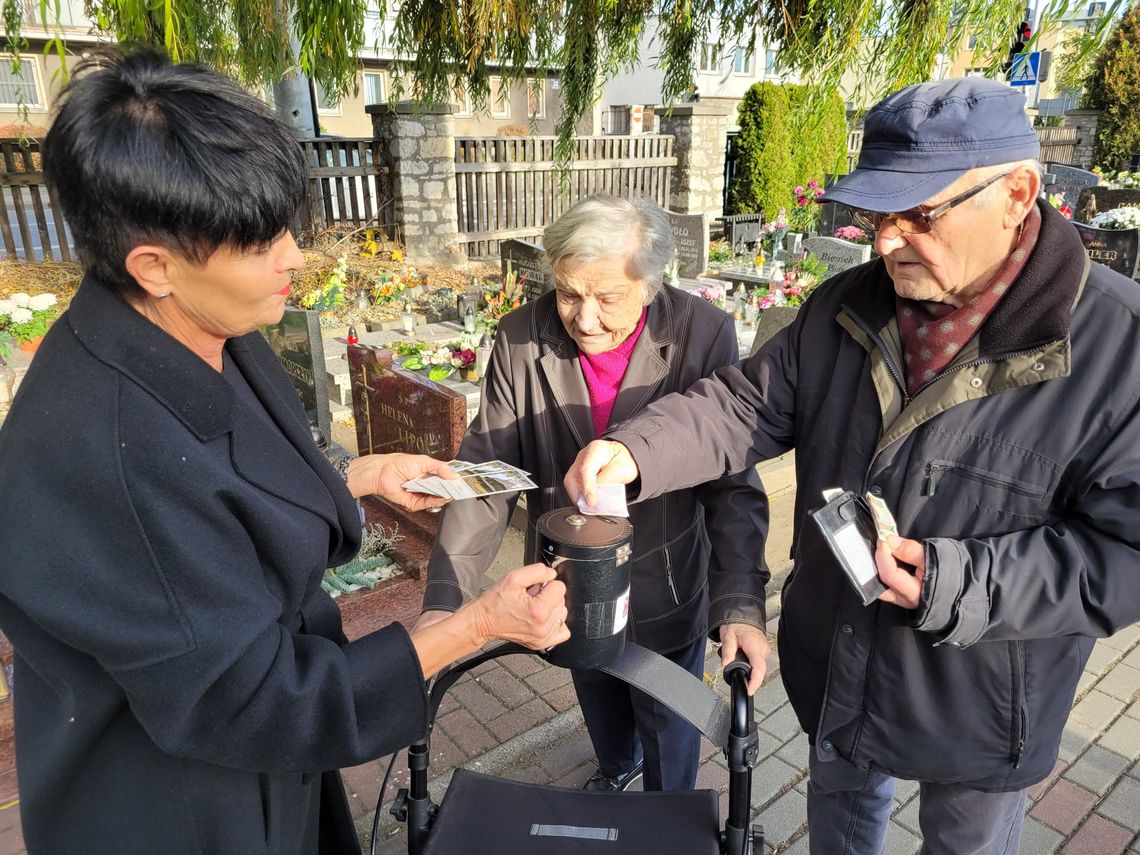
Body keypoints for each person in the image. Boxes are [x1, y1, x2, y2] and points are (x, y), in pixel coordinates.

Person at [0, 49, 569, 855]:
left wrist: (357, 475)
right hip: (181, 805)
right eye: (260, 240)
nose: (295, 256)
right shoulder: (106, 454)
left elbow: (232, 480)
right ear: (153, 265)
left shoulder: (201, 326)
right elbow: (258, 700)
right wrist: (479, 623)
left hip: (256, 768)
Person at [566, 77, 1140, 853]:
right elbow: (744, 406)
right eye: (875, 214)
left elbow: (1122, 551)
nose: (886, 241)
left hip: (982, 700)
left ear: (1018, 192)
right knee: (840, 830)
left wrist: (958, 581)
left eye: (918, 215)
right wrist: (636, 449)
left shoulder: (1119, 347)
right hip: (834, 660)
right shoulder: (846, 305)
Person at [416, 194, 771, 793]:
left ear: (652, 285)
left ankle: (665, 811)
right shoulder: (522, 338)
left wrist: (739, 603)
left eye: (607, 298)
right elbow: (488, 472)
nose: (583, 319)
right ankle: (614, 768)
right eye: (568, 294)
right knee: (597, 693)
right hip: (569, 578)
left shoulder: (702, 335)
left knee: (667, 724)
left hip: (664, 576)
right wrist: (444, 604)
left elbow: (732, 480)